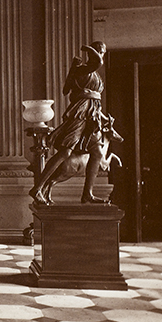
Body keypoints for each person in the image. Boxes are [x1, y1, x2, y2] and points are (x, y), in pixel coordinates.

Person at [30, 41, 113, 204]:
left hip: (92, 116)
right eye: (99, 52)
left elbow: (94, 100)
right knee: (65, 151)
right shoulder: (83, 69)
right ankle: (38, 188)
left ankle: (87, 194)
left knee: (96, 152)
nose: (101, 55)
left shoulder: (95, 75)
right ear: (92, 54)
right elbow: (97, 63)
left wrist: (102, 117)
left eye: (102, 52)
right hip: (80, 114)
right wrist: (89, 51)